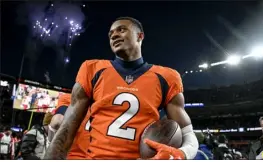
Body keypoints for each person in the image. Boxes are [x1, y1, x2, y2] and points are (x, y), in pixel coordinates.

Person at [44, 17, 198, 160]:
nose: (114, 35)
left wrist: (181, 154)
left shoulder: (167, 77)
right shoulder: (92, 69)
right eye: (111, 33)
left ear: (140, 36)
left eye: (121, 30)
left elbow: (188, 133)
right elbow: (66, 129)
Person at [48, 93, 91, 159]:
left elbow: (56, 122)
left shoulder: (68, 98)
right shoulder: (101, 103)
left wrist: (50, 142)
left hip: (73, 155)